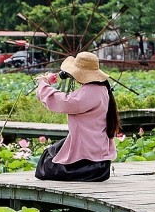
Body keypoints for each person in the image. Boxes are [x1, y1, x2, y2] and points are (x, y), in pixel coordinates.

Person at [34, 52, 118, 182]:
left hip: (90, 165)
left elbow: (63, 101)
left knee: (45, 166)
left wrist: (43, 84)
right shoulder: (101, 88)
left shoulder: (88, 93)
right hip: (99, 161)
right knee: (54, 150)